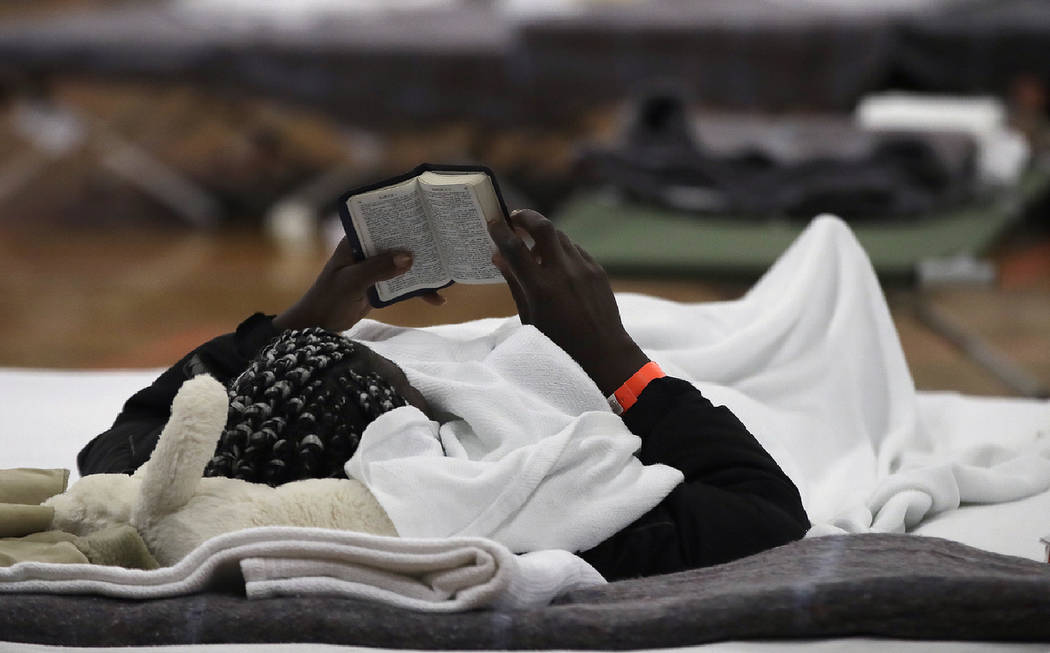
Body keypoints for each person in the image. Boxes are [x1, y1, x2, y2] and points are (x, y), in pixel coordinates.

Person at [77, 209, 810, 580]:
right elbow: (765, 504)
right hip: (615, 378)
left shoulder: (157, 481)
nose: (418, 373)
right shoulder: (516, 507)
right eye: (400, 380)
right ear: (406, 437)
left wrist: (310, 314)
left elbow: (147, 419)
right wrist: (610, 352)